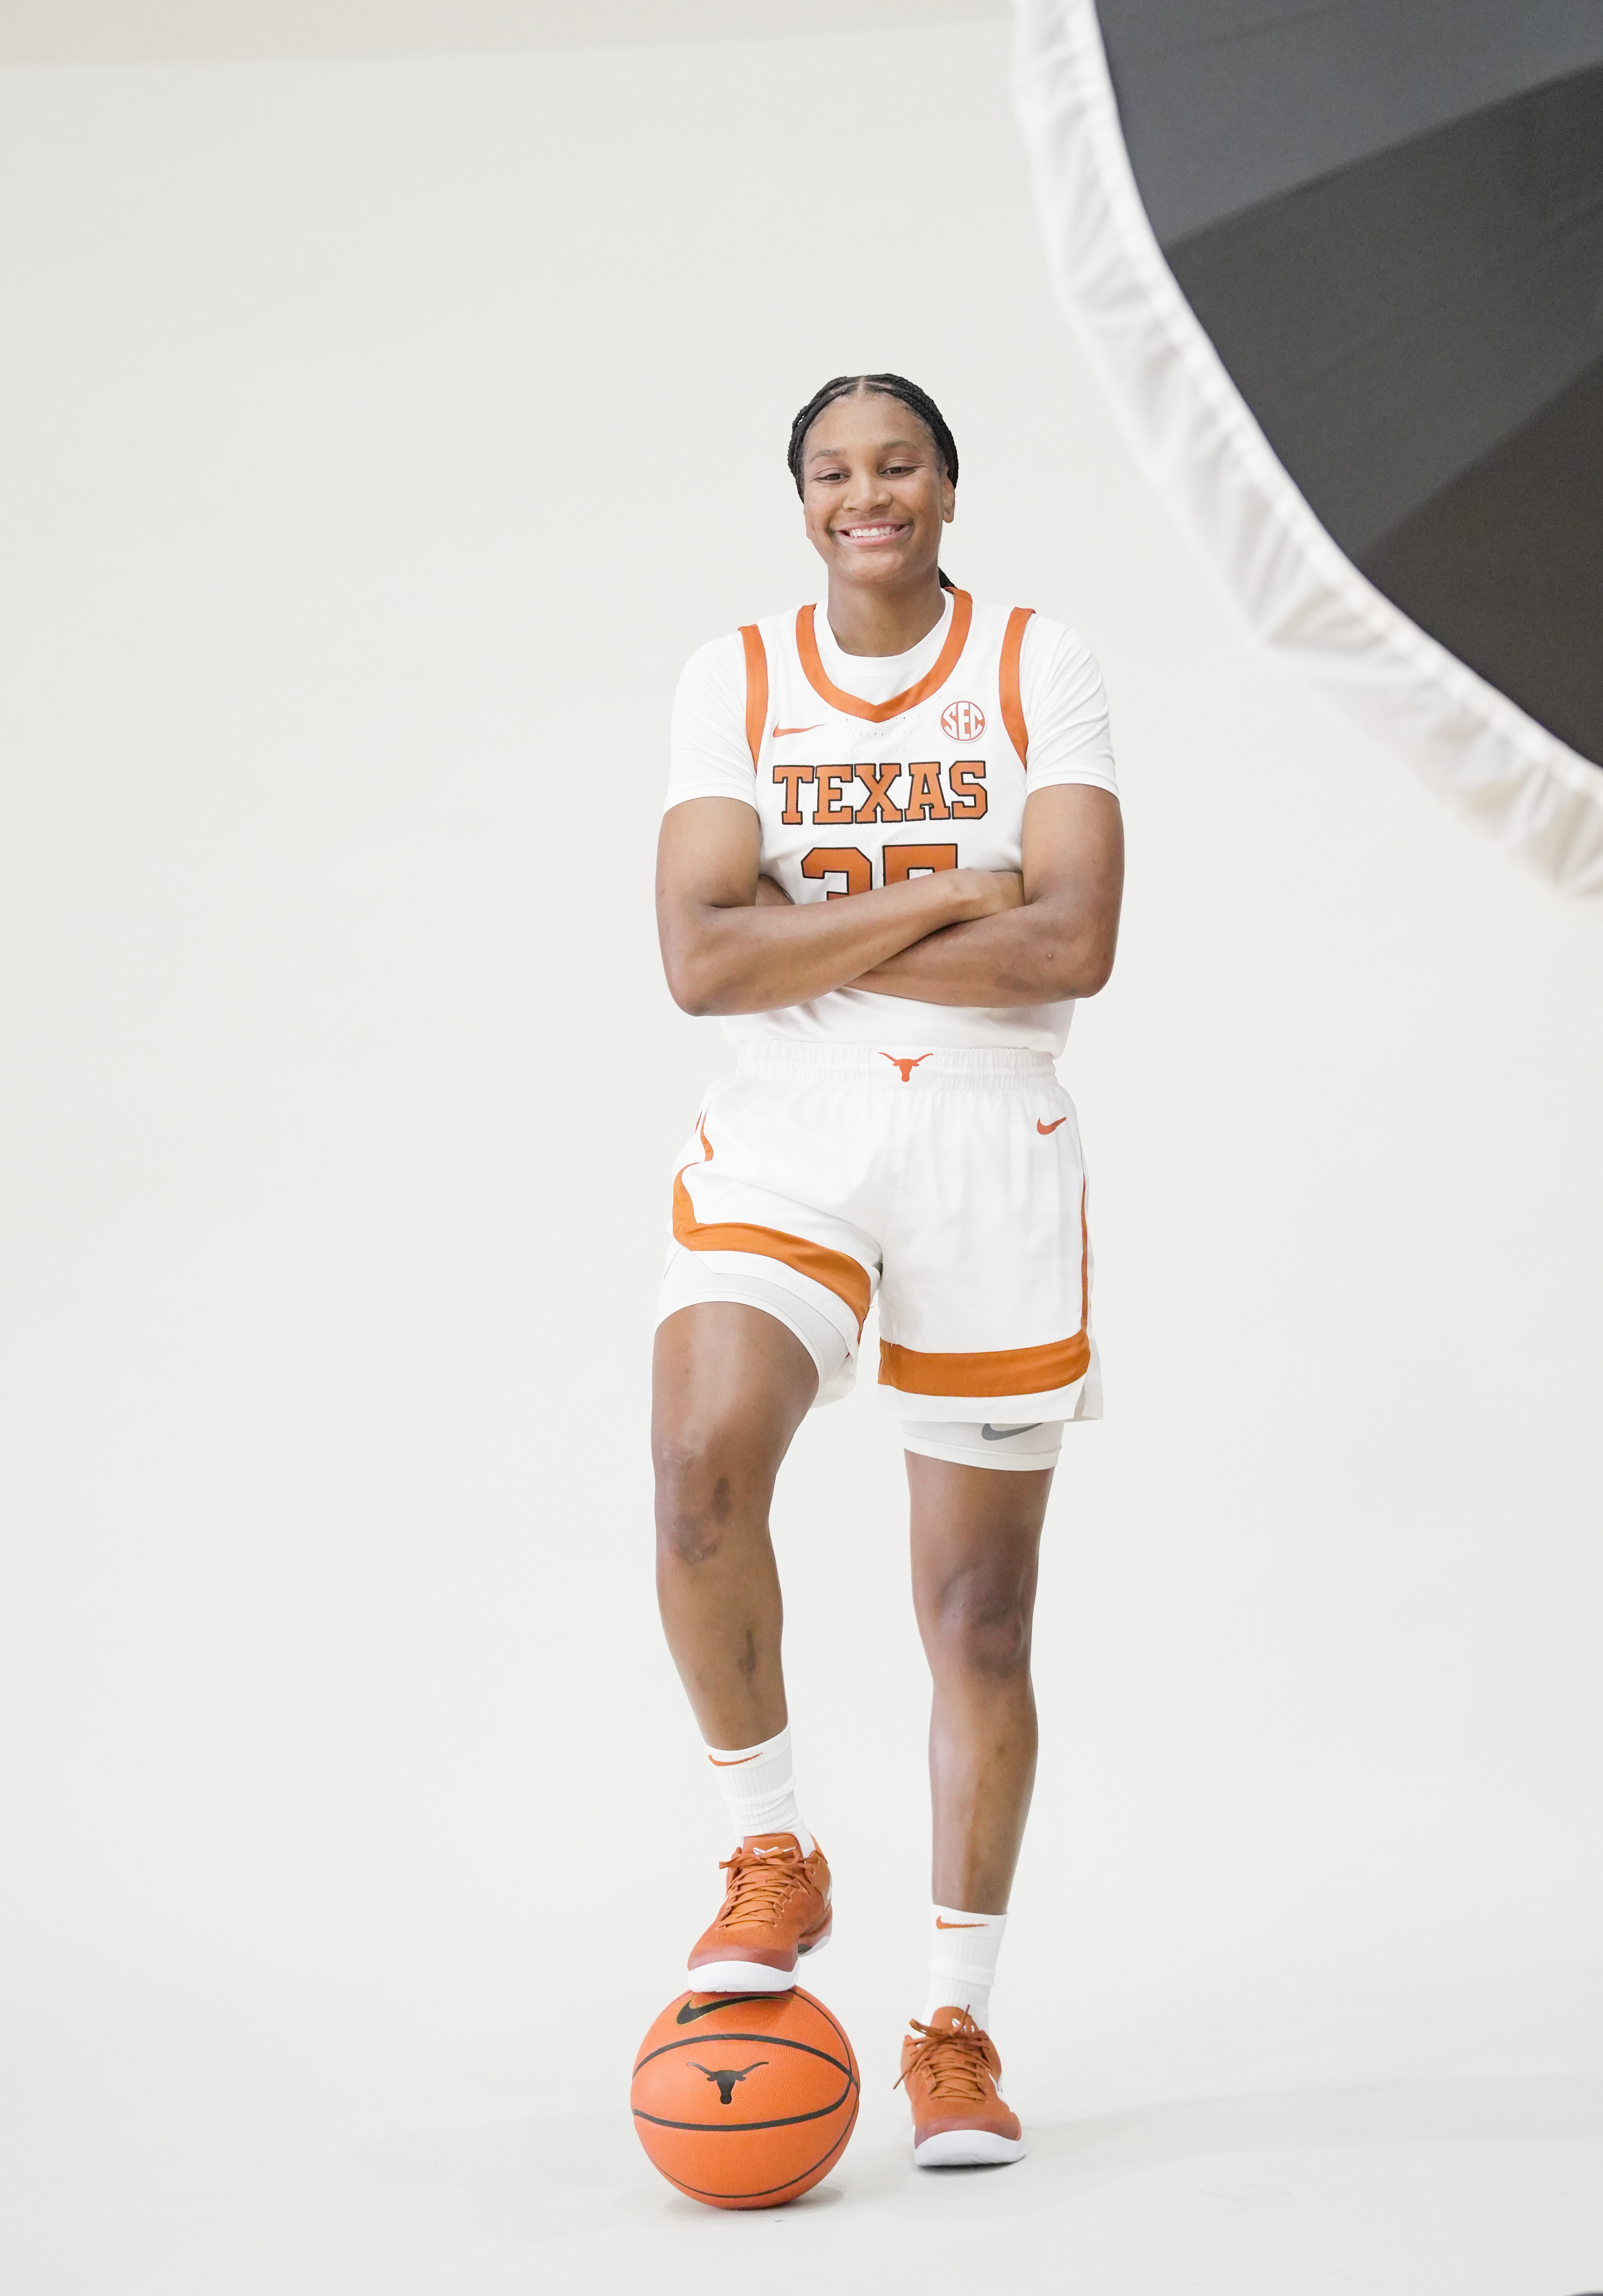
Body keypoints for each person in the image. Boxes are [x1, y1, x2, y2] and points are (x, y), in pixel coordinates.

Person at [652, 372, 1123, 2168]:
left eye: (900, 463)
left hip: (993, 1139)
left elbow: (1075, 940)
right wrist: (954, 893)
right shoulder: (735, 679)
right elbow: (701, 967)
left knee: (978, 1621)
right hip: (793, 1121)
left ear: (947, 486)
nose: (870, 494)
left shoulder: (1036, 661)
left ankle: (954, 2029)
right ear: (802, 502)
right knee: (700, 1465)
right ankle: (771, 1848)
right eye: (836, 470)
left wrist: (809, 934)